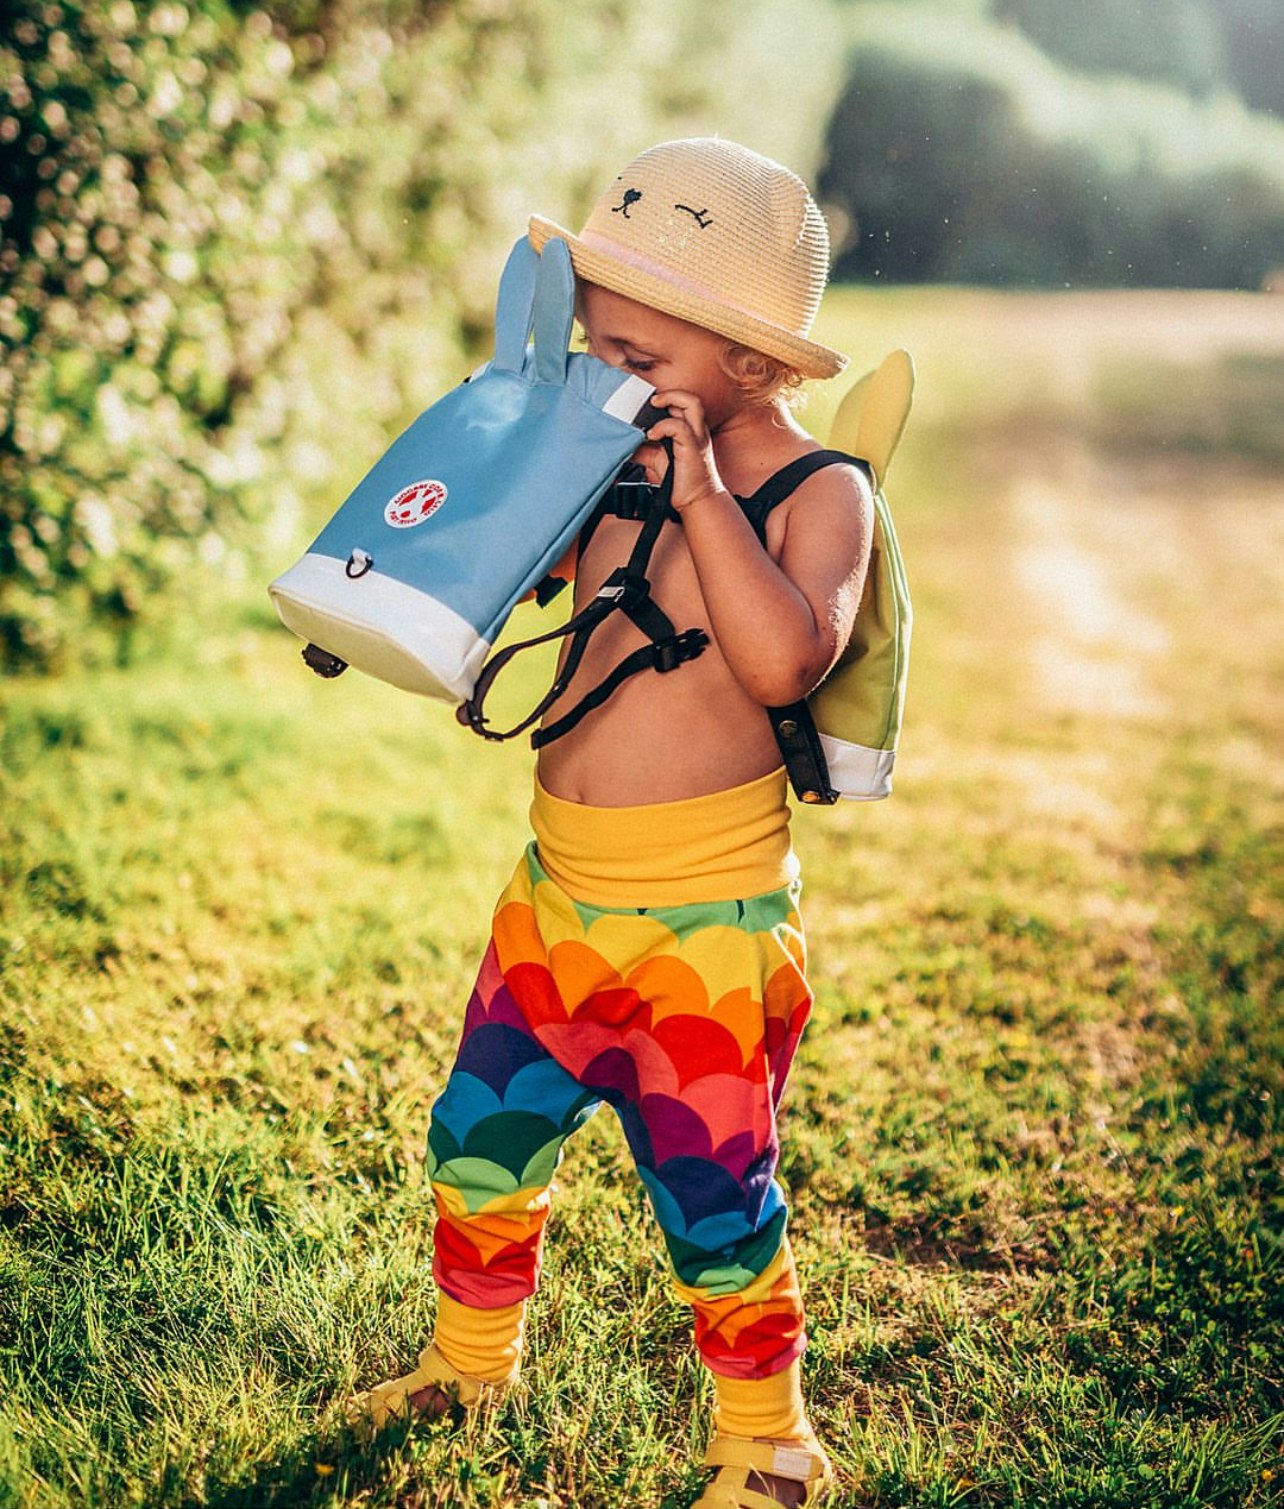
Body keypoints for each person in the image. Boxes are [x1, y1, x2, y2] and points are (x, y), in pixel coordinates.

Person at [346, 137, 873, 1509]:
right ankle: (471, 1363)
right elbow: (511, 589)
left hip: (705, 929)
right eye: (597, 339)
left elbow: (783, 661)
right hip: (555, 899)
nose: (606, 368)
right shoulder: (609, 448)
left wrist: (697, 492)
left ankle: (771, 1444)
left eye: (638, 350)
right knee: (477, 1138)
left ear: (750, 366)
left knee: (715, 1203)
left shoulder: (822, 495)